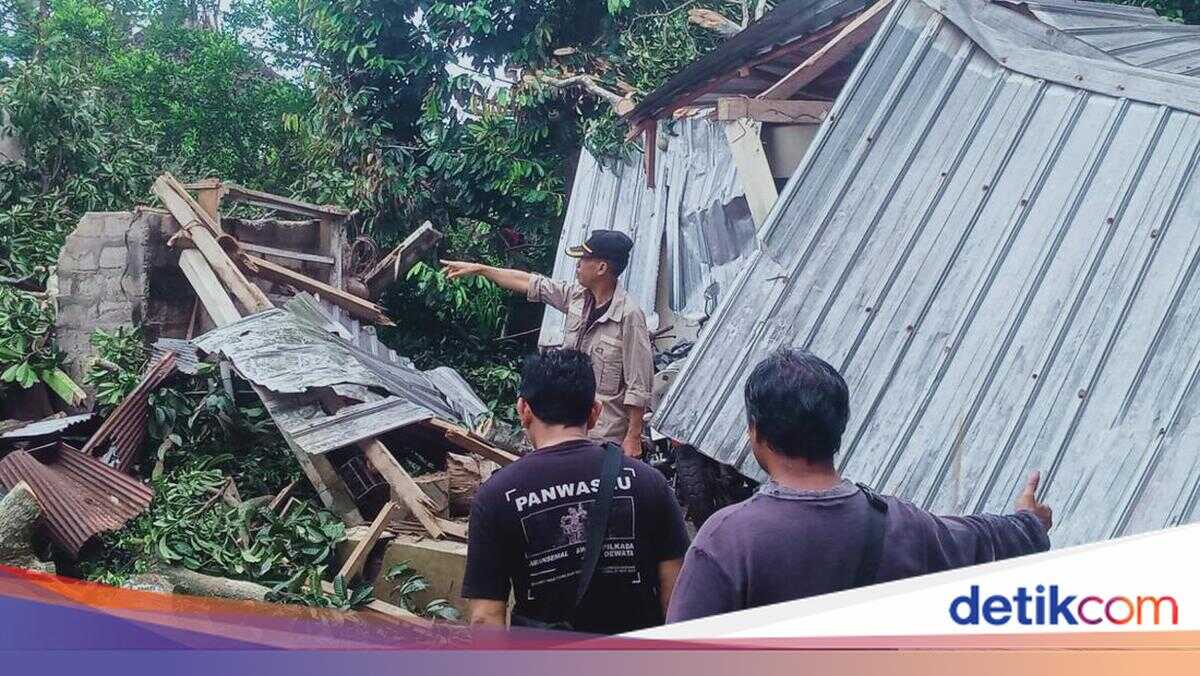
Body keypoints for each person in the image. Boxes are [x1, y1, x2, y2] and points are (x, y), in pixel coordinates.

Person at [667, 348, 1053, 623]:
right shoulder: (902, 522)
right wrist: (1029, 522)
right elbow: (980, 539)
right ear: (838, 429)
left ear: (756, 432)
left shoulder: (727, 538)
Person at [462, 348, 689, 634]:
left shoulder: (496, 497)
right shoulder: (649, 483)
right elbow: (677, 598)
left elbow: (485, 618)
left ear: (523, 410)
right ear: (595, 411)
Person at [441, 230, 653, 457]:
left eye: (583, 260)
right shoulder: (577, 298)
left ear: (601, 268)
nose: (577, 265)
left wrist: (633, 437)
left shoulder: (629, 316)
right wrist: (482, 269)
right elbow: (531, 283)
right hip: (568, 427)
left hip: (605, 436)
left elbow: (638, 384)